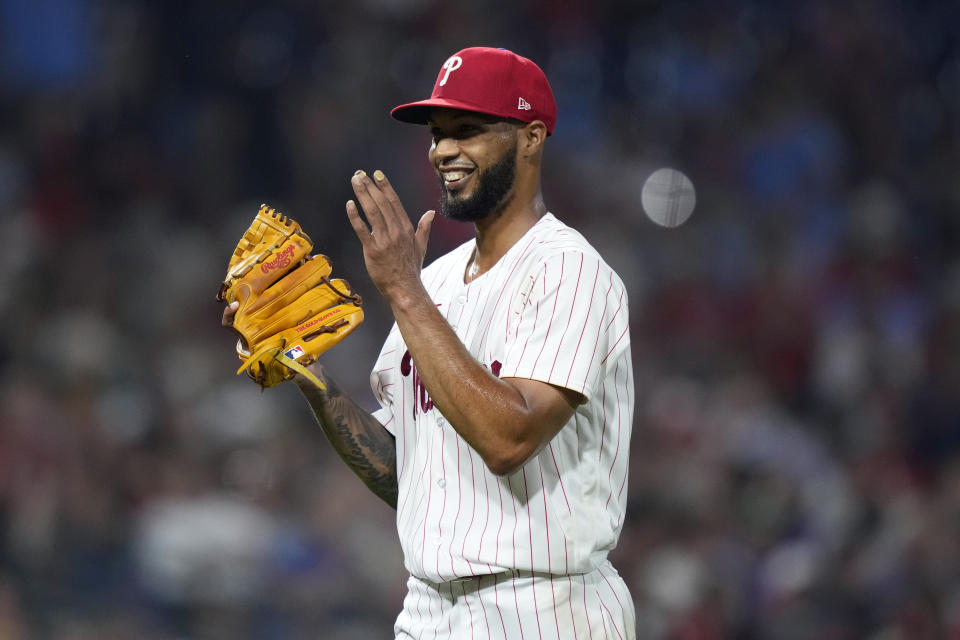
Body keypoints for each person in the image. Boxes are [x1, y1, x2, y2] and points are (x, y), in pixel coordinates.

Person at [232, 46, 636, 639]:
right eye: (438, 133)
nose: (443, 149)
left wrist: (402, 287)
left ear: (530, 137)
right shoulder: (436, 283)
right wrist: (307, 373)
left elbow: (508, 439)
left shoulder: (569, 271)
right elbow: (409, 475)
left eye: (468, 130)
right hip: (429, 611)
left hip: (544, 609)